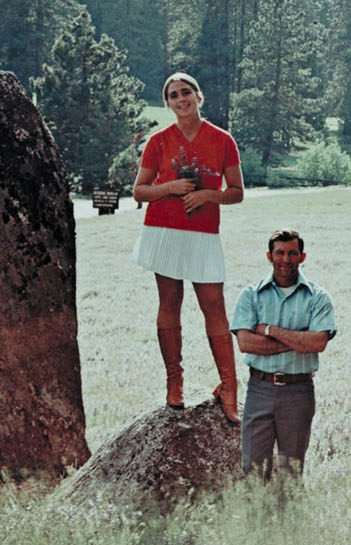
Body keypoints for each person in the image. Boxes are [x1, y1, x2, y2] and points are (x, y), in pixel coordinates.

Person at [131, 72, 245, 422]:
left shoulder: (223, 139)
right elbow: (139, 191)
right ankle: (174, 383)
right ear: (167, 103)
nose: (181, 99)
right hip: (164, 231)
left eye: (186, 92)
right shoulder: (158, 141)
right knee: (169, 305)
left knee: (214, 308)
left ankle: (229, 387)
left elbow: (237, 192)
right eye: (173, 95)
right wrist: (170, 188)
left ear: (199, 96)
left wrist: (208, 194)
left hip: (203, 234)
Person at [232, 229, 336, 479]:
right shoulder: (251, 295)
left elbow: (318, 342)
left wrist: (270, 331)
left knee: (291, 472)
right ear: (269, 256)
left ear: (303, 256)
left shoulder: (318, 297)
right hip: (259, 389)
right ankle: (257, 518)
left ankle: (288, 519)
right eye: (280, 253)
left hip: (298, 392)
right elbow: (246, 343)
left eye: (292, 253)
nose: (286, 259)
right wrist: (297, 339)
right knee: (254, 471)